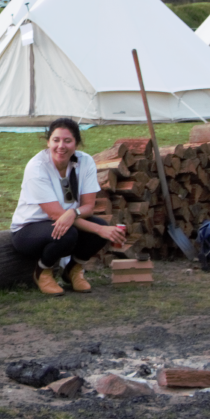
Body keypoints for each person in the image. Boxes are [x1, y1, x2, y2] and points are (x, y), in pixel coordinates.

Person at [11, 118, 127, 295]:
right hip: (28, 231)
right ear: (48, 141)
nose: (61, 146)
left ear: (77, 143)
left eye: (67, 140)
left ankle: (72, 271)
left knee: (101, 227)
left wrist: (74, 212)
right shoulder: (37, 167)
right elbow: (56, 215)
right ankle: (43, 272)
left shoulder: (85, 162)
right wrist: (93, 227)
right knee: (75, 232)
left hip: (67, 222)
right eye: (56, 140)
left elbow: (88, 206)